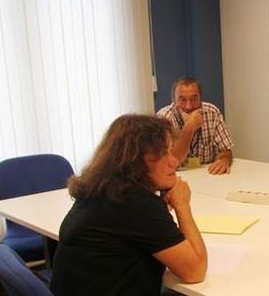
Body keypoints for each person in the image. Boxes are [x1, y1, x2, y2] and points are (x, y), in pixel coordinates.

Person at [51, 115, 207, 296]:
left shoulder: (101, 189)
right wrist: (182, 205)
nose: (174, 161)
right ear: (134, 160)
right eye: (163, 153)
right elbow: (195, 271)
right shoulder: (137, 204)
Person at [157, 76, 234, 174]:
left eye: (194, 99)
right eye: (182, 100)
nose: (188, 106)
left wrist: (224, 160)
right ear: (174, 101)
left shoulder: (212, 112)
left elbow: (226, 150)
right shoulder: (164, 118)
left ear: (200, 99)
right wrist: (190, 127)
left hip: (207, 175)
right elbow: (171, 162)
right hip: (176, 177)